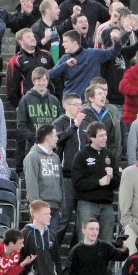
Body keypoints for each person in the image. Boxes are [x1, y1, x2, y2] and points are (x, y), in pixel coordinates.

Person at [48, 26, 132, 98]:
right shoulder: (64, 59)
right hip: (71, 101)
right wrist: (66, 64)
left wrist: (120, 38)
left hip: (89, 101)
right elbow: (50, 75)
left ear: (74, 43)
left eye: (65, 42)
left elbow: (113, 51)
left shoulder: (93, 53)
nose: (62, 44)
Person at [72, 122, 121, 244]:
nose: (104, 138)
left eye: (105, 135)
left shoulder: (110, 155)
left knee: (106, 242)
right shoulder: (81, 155)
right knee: (86, 240)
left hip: (106, 205)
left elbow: (117, 183)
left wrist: (112, 177)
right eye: (101, 136)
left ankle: (104, 264)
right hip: (87, 204)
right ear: (92, 138)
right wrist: (98, 182)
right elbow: (77, 183)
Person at [16, 67, 61, 176]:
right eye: (38, 80)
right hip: (33, 146)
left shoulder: (54, 100)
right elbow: (21, 125)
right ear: (33, 81)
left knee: (50, 178)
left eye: (44, 80)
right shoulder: (26, 99)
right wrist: (36, 139)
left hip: (52, 148)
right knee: (34, 177)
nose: (41, 83)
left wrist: (54, 139)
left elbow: (59, 122)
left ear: (48, 80)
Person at [54, 94, 85, 244]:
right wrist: (74, 126)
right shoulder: (60, 122)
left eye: (81, 104)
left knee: (82, 220)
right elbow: (57, 140)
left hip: (83, 178)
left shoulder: (85, 124)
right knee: (64, 218)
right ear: (66, 106)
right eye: (75, 104)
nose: (79, 107)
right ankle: (53, 252)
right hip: (66, 177)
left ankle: (75, 254)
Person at [24, 124, 63, 234]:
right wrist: (37, 208)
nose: (57, 138)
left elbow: (60, 183)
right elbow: (32, 185)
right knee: (39, 242)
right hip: (41, 208)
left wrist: (61, 207)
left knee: (51, 243)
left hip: (55, 207)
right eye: (55, 136)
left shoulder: (55, 157)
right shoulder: (32, 157)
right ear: (48, 137)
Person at [6, 28, 56, 107]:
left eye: (33, 36)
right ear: (21, 41)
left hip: (48, 101)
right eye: (28, 37)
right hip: (28, 103)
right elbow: (12, 86)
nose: (33, 38)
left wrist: (57, 98)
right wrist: (18, 105)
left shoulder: (47, 55)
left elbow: (56, 78)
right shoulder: (15, 60)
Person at [79, 84, 122, 164]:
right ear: (91, 98)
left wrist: (113, 155)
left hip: (105, 157)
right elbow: (82, 139)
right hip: (88, 158)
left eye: (104, 94)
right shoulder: (83, 114)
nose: (103, 96)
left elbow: (112, 138)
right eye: (99, 94)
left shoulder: (109, 114)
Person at [20, 199, 62, 275]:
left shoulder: (52, 234)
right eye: (46, 214)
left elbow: (57, 260)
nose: (50, 216)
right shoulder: (24, 234)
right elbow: (20, 258)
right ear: (36, 215)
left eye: (49, 213)